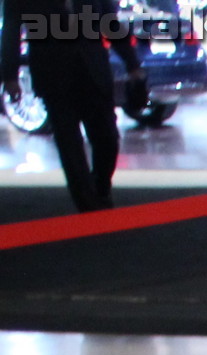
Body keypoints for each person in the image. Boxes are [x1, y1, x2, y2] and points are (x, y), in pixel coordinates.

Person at [1, 0, 146, 213]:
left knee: (107, 137)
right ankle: (88, 204)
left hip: (94, 71)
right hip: (53, 74)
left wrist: (133, 65)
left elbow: (110, 23)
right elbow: (11, 30)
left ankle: (101, 187)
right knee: (69, 143)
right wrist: (10, 77)